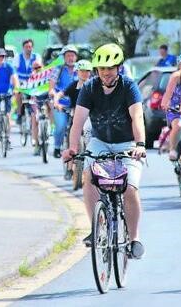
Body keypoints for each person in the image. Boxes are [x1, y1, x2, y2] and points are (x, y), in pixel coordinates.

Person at [61, 43, 146, 259]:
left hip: (128, 144)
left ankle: (134, 238)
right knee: (89, 178)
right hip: (100, 141)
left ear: (118, 67)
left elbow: (137, 117)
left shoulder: (129, 86)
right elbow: (78, 121)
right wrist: (72, 148)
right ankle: (95, 228)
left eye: (110, 68)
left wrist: (140, 145)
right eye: (101, 69)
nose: (106, 73)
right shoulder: (89, 88)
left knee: (130, 189)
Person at [49, 45, 78, 158]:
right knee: (61, 126)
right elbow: (51, 87)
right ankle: (57, 147)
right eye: (68, 56)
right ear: (64, 57)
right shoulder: (58, 69)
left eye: (72, 55)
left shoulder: (80, 69)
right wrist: (54, 96)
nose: (70, 58)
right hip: (61, 104)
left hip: (77, 105)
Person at [13, 39, 43, 125]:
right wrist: (16, 84)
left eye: (30, 47)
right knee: (18, 93)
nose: (28, 49)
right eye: (26, 47)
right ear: (23, 48)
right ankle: (19, 113)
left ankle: (36, 112)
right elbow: (14, 72)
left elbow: (39, 69)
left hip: (33, 82)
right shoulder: (18, 57)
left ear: (32, 47)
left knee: (36, 95)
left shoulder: (36, 56)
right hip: (21, 82)